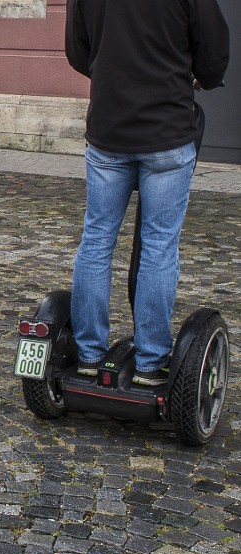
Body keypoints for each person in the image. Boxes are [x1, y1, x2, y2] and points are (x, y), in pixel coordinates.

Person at [65, 0, 229, 386]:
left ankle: (89, 355)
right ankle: (150, 362)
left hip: (109, 127)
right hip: (166, 130)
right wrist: (200, 76)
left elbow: (77, 50)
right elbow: (214, 47)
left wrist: (113, 72)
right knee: (158, 243)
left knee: (97, 238)